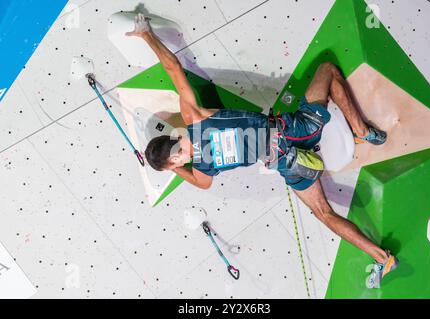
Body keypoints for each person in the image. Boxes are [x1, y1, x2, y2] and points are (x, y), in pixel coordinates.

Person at [126, 14, 398, 288]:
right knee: (327, 70)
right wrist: (146, 34)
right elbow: (173, 68)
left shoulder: (202, 172)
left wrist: (176, 169)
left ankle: (383, 258)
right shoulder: (194, 118)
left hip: (287, 162)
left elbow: (198, 183)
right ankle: (363, 131)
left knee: (324, 213)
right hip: (293, 129)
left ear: (174, 161)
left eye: (172, 166)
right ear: (171, 142)